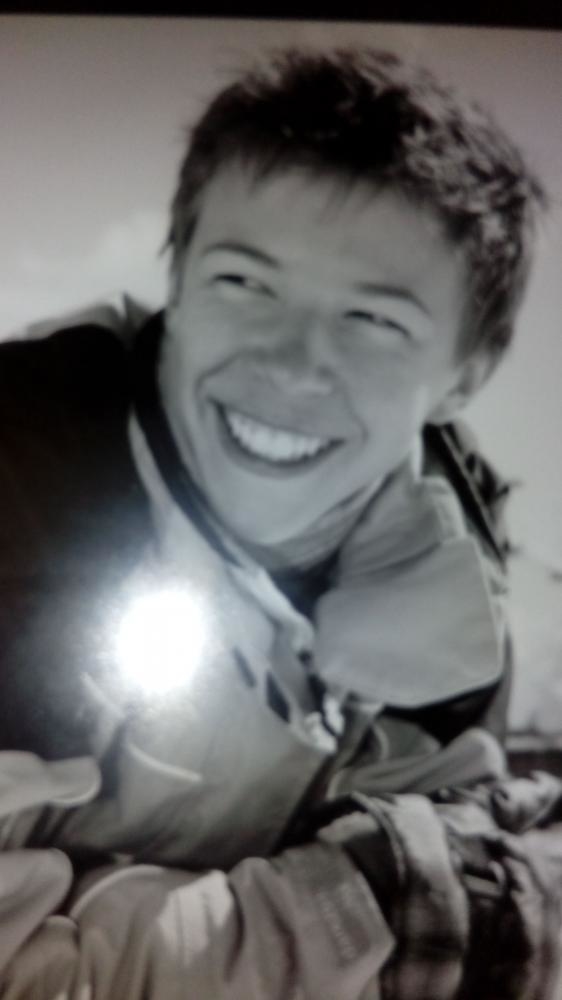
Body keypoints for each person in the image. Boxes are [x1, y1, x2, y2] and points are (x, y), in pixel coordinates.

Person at [0, 47, 561, 998]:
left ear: (462, 378)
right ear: (178, 282)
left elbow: (475, 863)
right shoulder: (26, 489)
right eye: (245, 283)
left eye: (373, 321)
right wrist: (345, 916)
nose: (293, 366)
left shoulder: (453, 614)